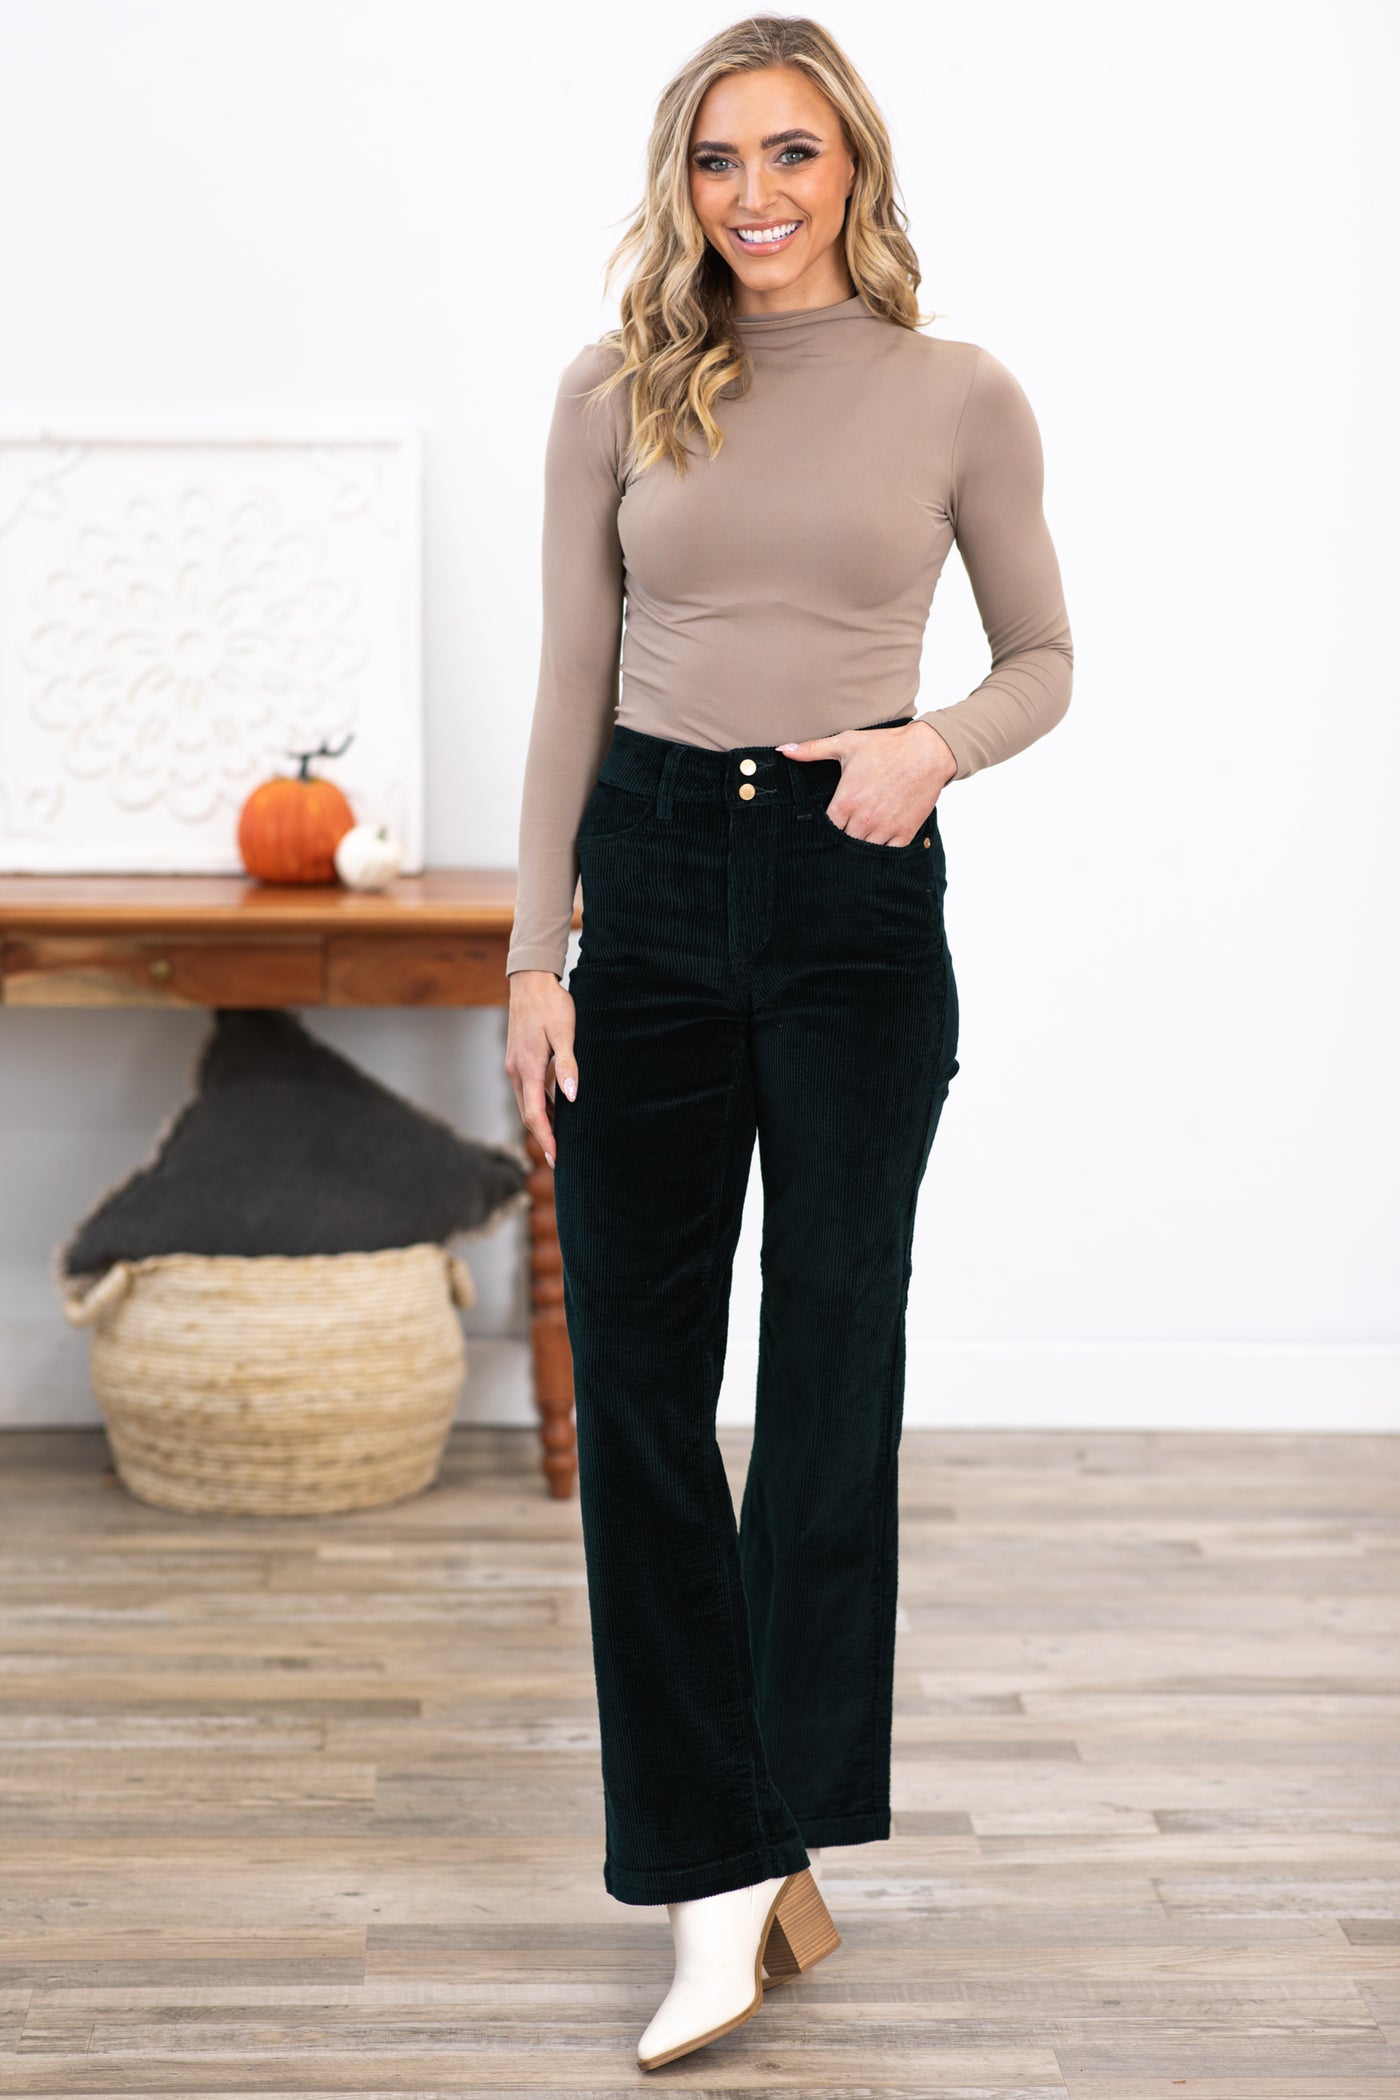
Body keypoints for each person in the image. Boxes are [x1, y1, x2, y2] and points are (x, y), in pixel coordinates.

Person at [504, 13, 1073, 2072]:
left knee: (832, 1370)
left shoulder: (958, 393)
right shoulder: (614, 389)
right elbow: (569, 683)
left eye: (793, 154)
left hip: (852, 896)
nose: (755, 194)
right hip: (648, 889)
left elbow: (1044, 658)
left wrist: (932, 748)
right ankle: (722, 1870)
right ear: (684, 183)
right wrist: (533, 958)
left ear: (855, 173)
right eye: (718, 159)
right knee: (644, 1391)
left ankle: (748, 1863)